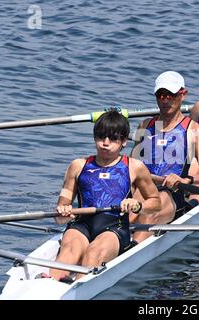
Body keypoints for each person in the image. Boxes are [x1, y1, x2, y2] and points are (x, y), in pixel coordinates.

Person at [49, 110, 161, 282]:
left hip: (114, 228)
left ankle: (79, 288)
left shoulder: (134, 167)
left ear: (124, 142)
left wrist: (137, 205)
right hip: (81, 225)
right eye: (101, 137)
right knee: (69, 250)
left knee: (93, 253)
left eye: (113, 139)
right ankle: (49, 283)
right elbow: (62, 208)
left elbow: (156, 203)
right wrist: (63, 211)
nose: (105, 143)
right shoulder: (78, 166)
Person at [130, 71, 199, 243]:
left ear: (183, 95)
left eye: (171, 95)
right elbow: (131, 165)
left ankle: (130, 249)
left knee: (147, 214)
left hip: (172, 192)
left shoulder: (194, 130)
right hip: (144, 187)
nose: (166, 100)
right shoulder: (145, 125)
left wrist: (186, 180)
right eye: (161, 95)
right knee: (124, 212)